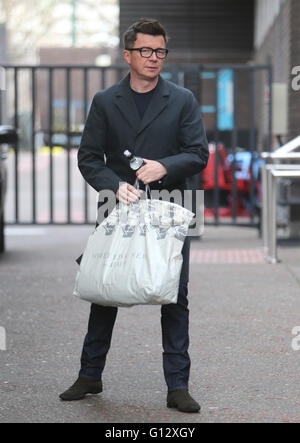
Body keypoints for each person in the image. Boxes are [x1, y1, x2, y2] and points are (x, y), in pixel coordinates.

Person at [59, 18, 209, 413]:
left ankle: (178, 386)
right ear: (127, 55)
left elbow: (198, 153)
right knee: (105, 289)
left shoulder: (183, 99)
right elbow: (88, 157)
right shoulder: (106, 101)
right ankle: (89, 375)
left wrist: (164, 165)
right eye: (145, 51)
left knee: (175, 294)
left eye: (159, 51)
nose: (153, 58)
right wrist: (112, 185)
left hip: (174, 206)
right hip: (119, 203)